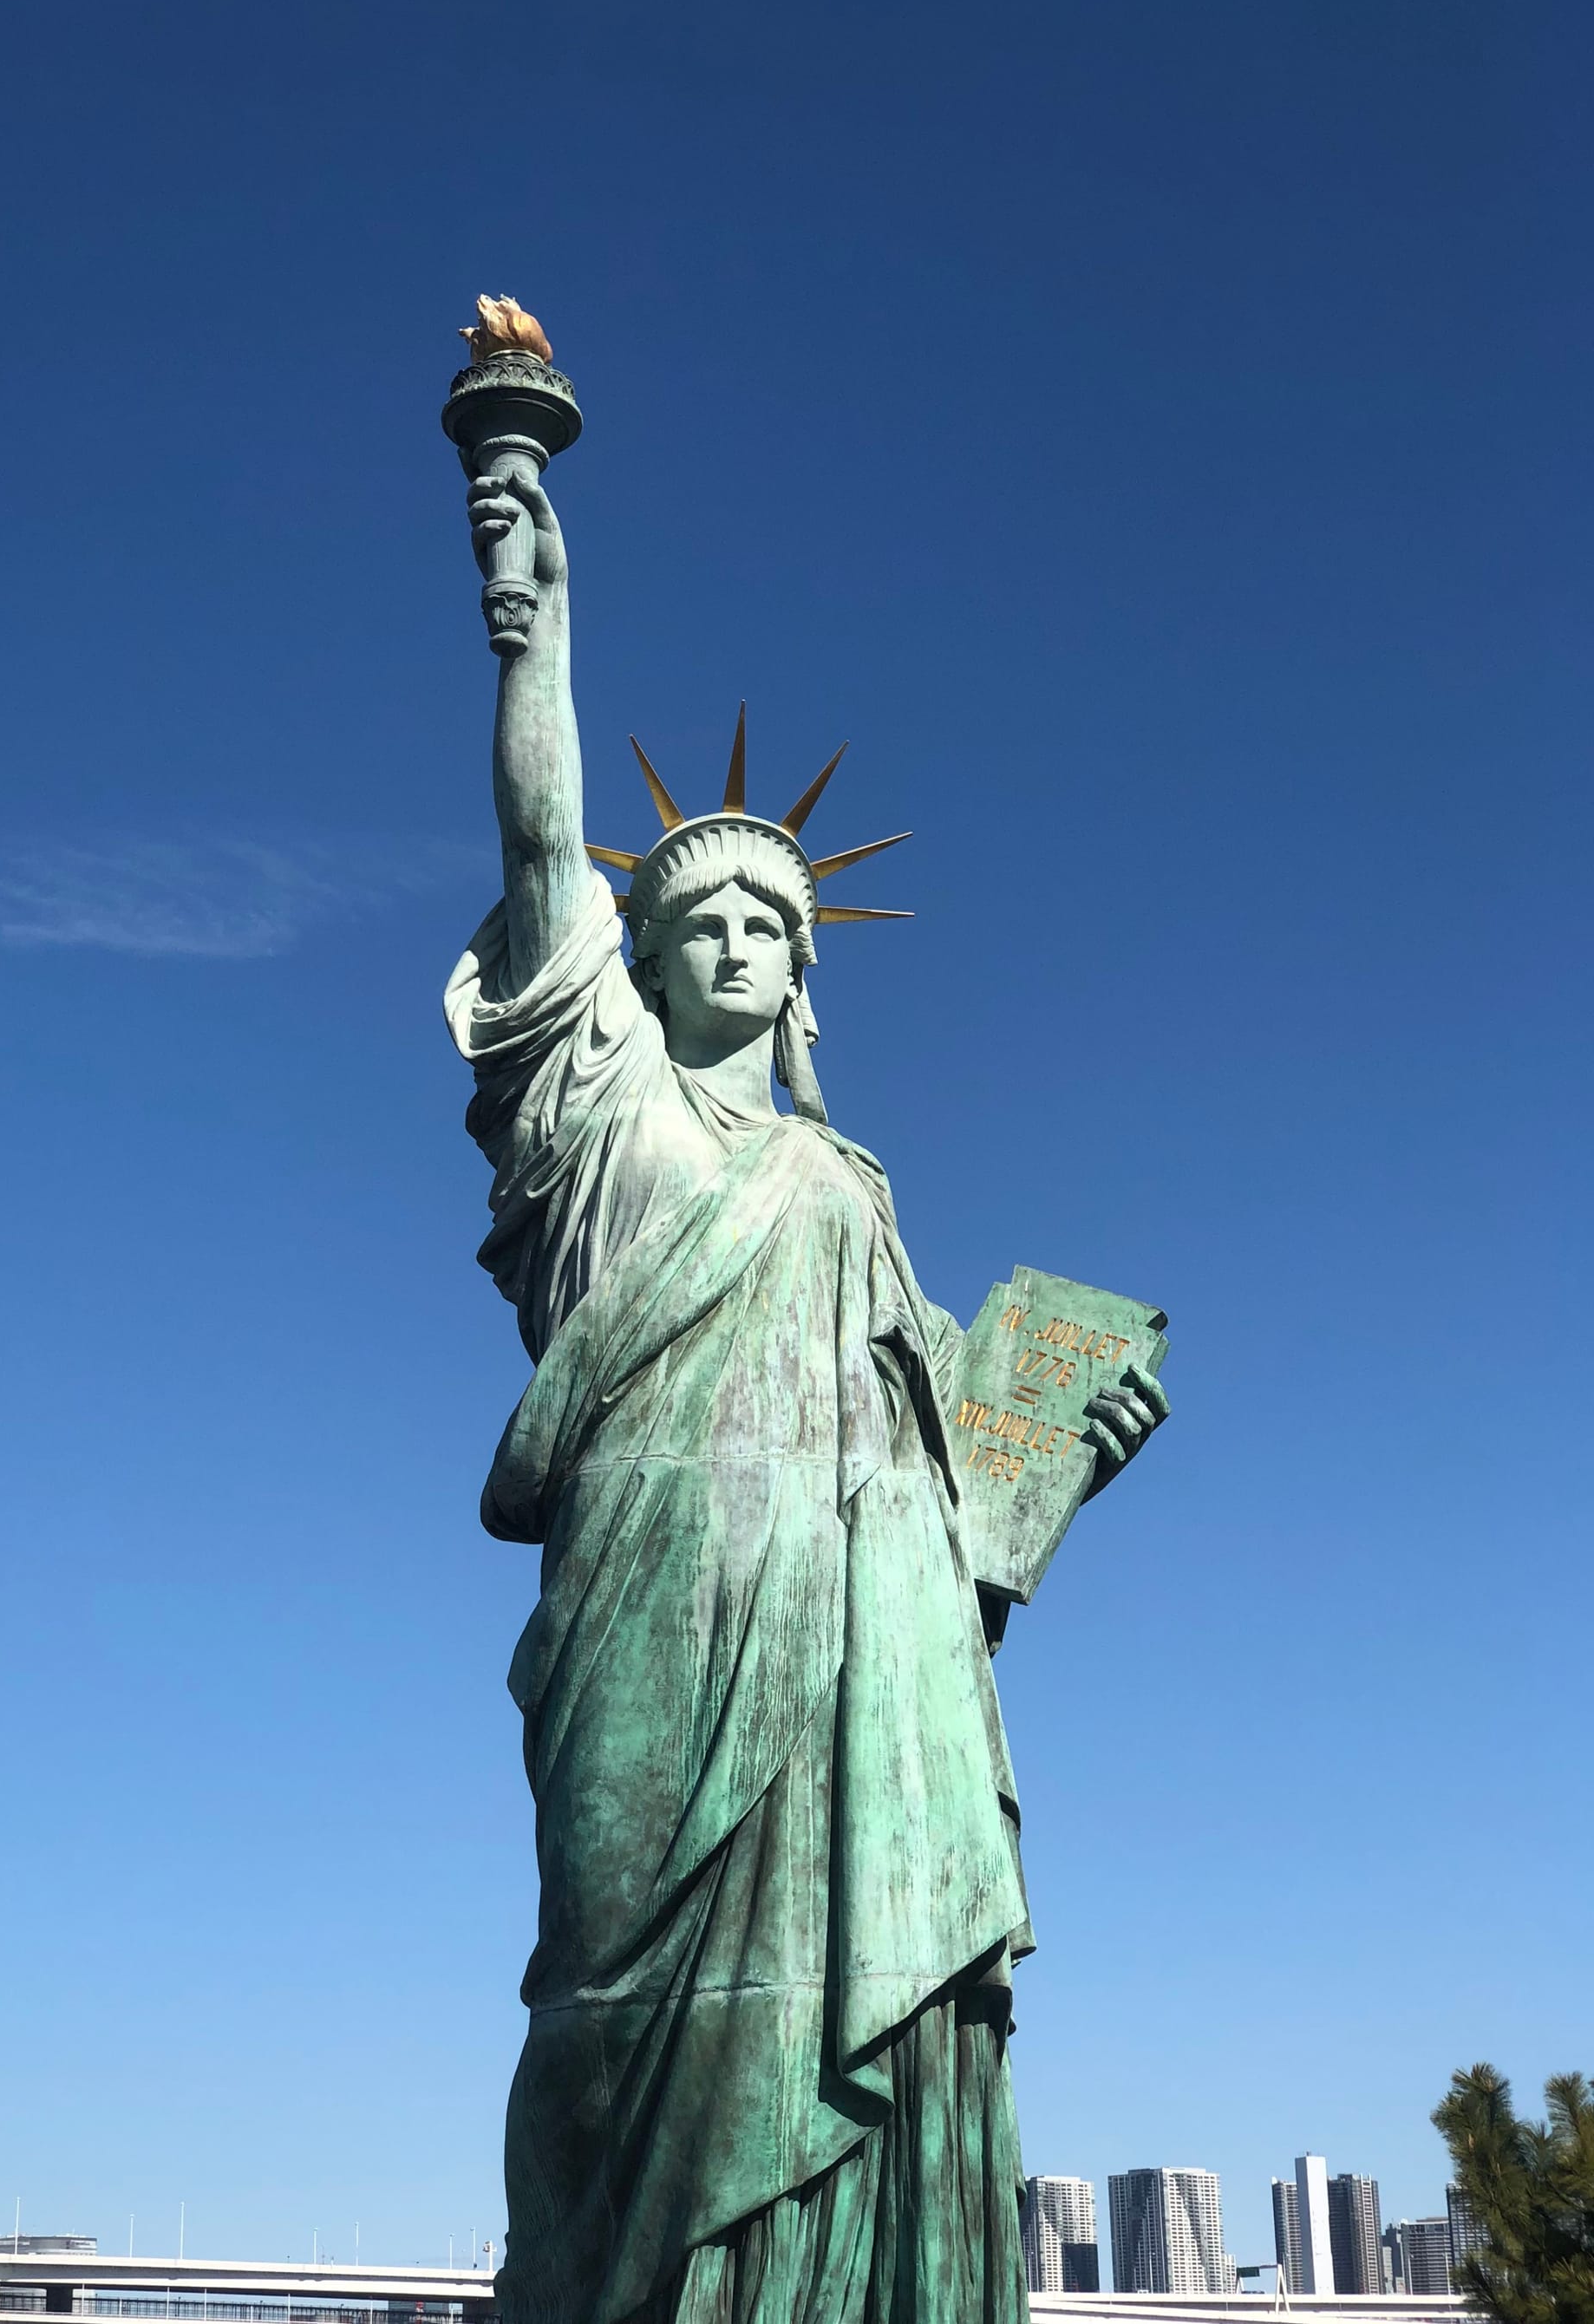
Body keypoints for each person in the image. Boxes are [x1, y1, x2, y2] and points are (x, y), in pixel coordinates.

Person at [444, 464, 1164, 2324]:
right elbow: (544, 847)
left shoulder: (848, 1193)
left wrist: (1066, 1438)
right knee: (607, 2004)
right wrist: (529, 585)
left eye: (771, 923)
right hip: (649, 1614)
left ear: (803, 972)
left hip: (852, 1657)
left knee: (864, 2017)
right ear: (649, 958)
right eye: (701, 922)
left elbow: (950, 1472)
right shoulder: (595, 1104)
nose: (737, 942)